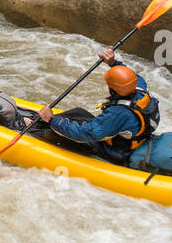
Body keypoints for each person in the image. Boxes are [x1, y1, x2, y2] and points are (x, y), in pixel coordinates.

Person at [27, 48, 160, 163]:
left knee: (60, 134)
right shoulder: (140, 90)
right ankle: (39, 121)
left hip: (116, 151)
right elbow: (131, 75)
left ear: (113, 89)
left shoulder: (119, 113)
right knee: (79, 113)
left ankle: (33, 130)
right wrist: (113, 63)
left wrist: (52, 120)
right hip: (125, 137)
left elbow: (86, 133)